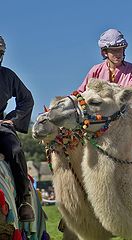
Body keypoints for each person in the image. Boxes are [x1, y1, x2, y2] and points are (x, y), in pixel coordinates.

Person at [0, 36, 35, 222]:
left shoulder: (7, 75)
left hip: (0, 128)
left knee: (15, 149)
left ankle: (24, 200)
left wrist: (13, 120)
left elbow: (27, 99)